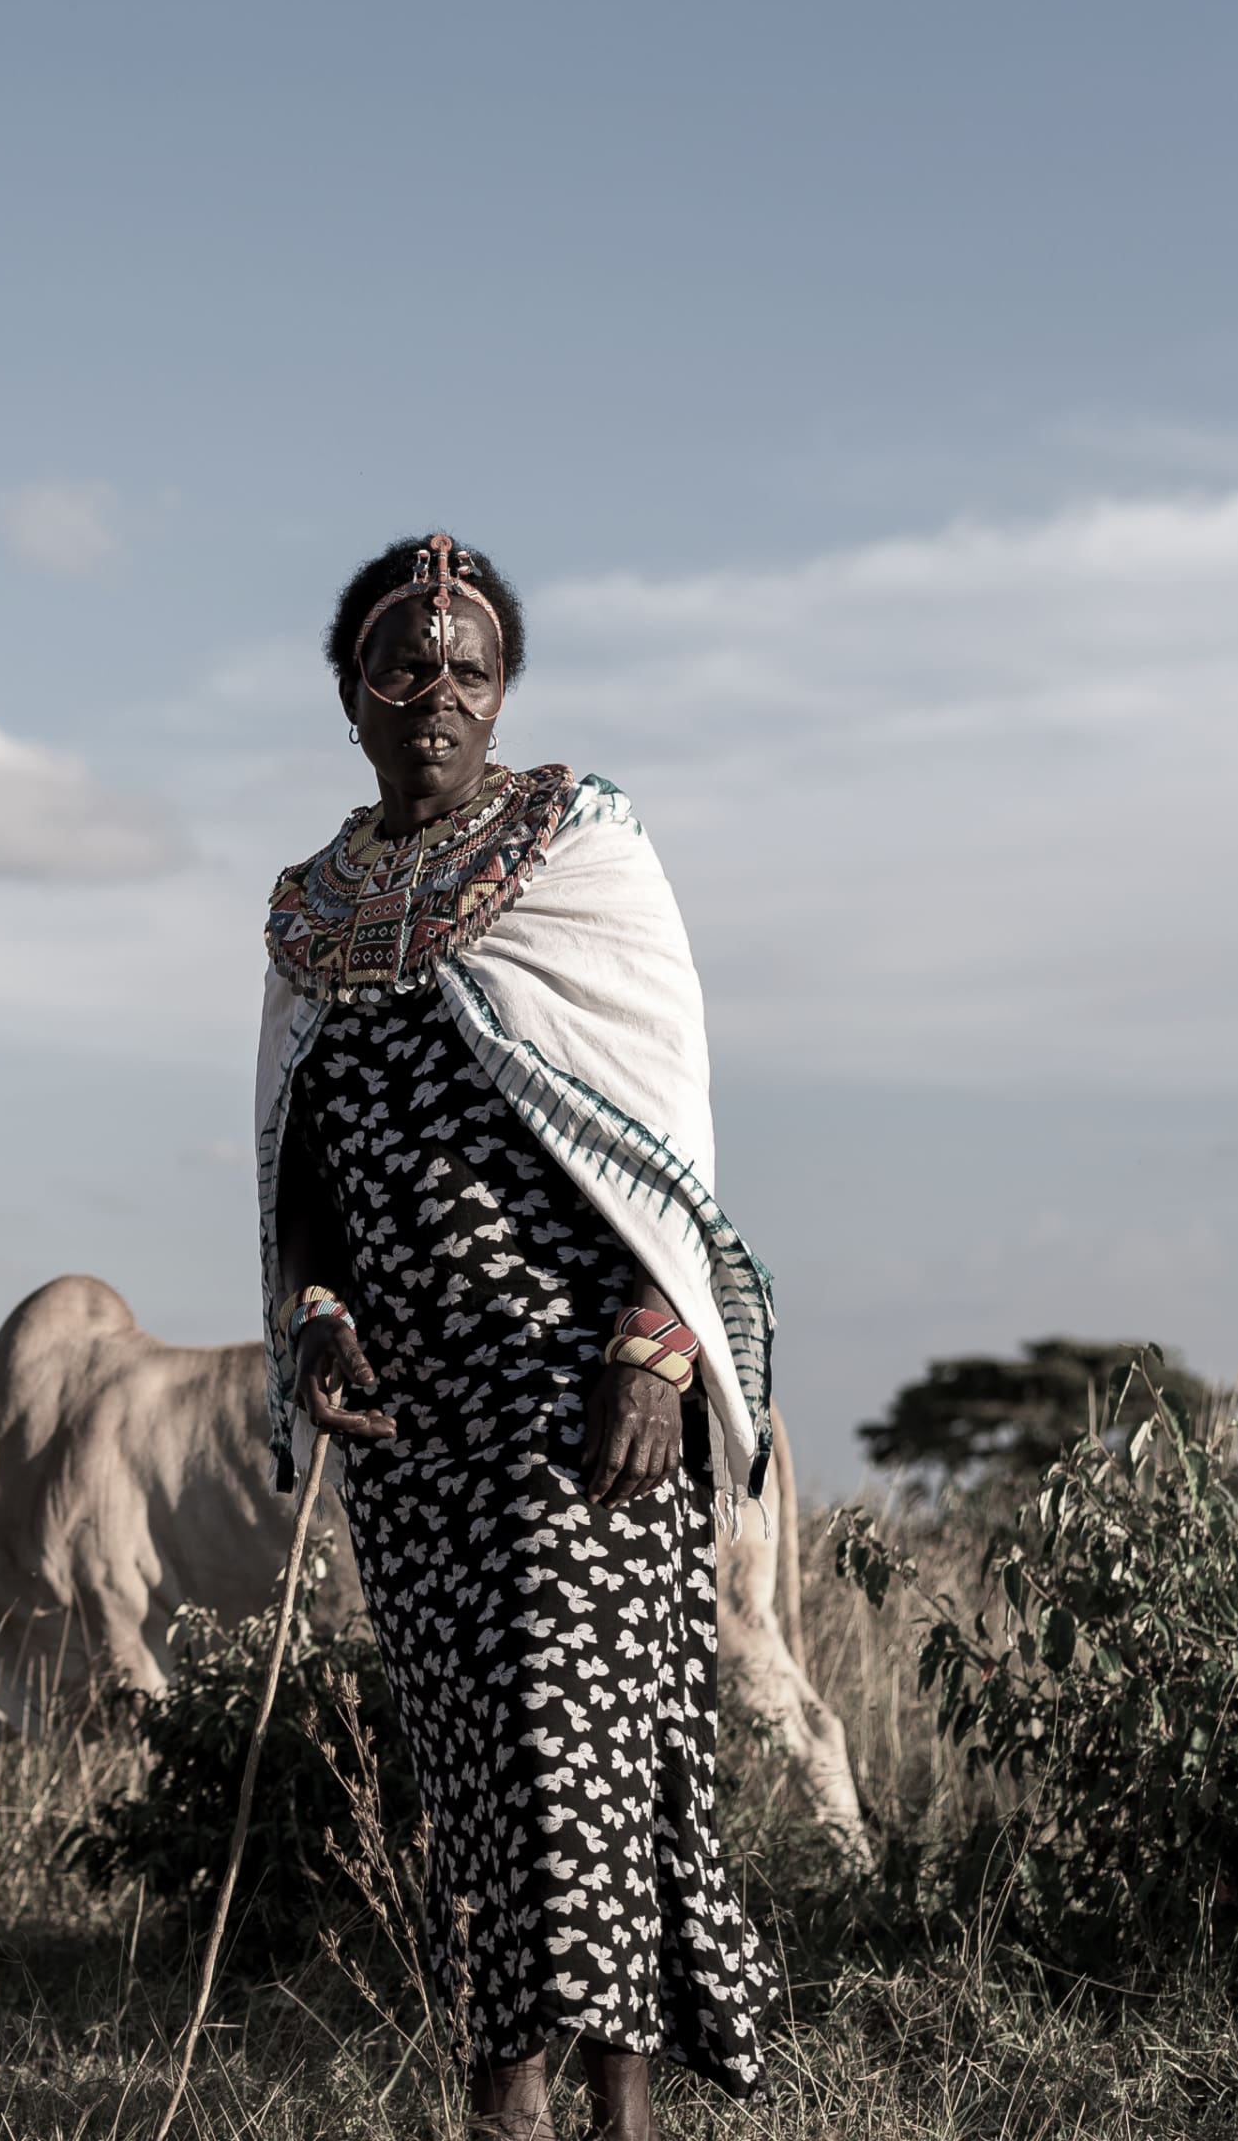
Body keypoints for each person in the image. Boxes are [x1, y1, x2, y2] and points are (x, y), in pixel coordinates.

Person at [256, 538, 778, 2138]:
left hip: (584, 1390)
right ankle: (518, 2098)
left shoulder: (586, 854)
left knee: (581, 1755)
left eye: (469, 670)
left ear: (506, 694)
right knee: (477, 1767)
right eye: (402, 669)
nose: (438, 696)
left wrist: (654, 1343)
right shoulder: (311, 919)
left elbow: (663, 1124)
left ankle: (561, 2112)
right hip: (417, 1425)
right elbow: (305, 1168)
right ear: (351, 699)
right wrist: (323, 1326)